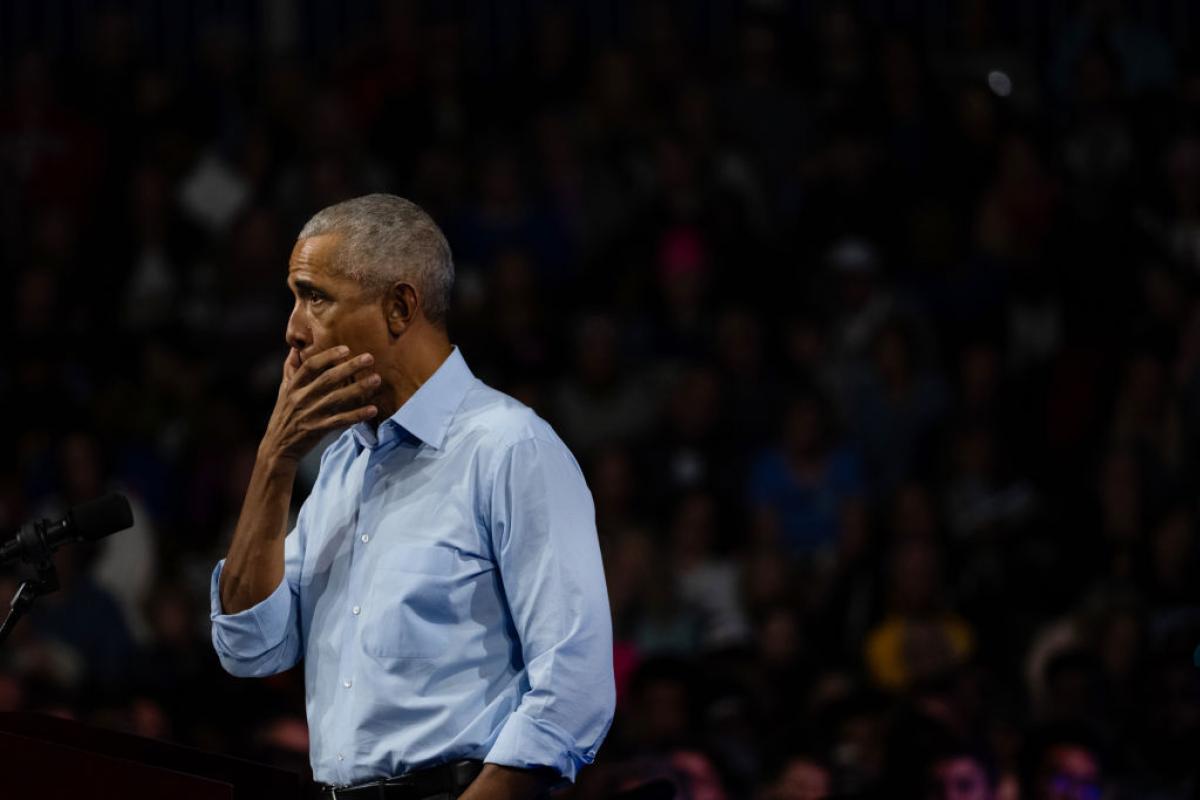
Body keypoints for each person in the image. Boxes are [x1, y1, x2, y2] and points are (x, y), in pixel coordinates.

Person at [209, 194, 615, 799]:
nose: (293, 330)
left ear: (400, 307)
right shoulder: (344, 462)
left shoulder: (509, 448)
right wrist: (274, 462)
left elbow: (574, 691)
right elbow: (250, 646)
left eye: (315, 296)